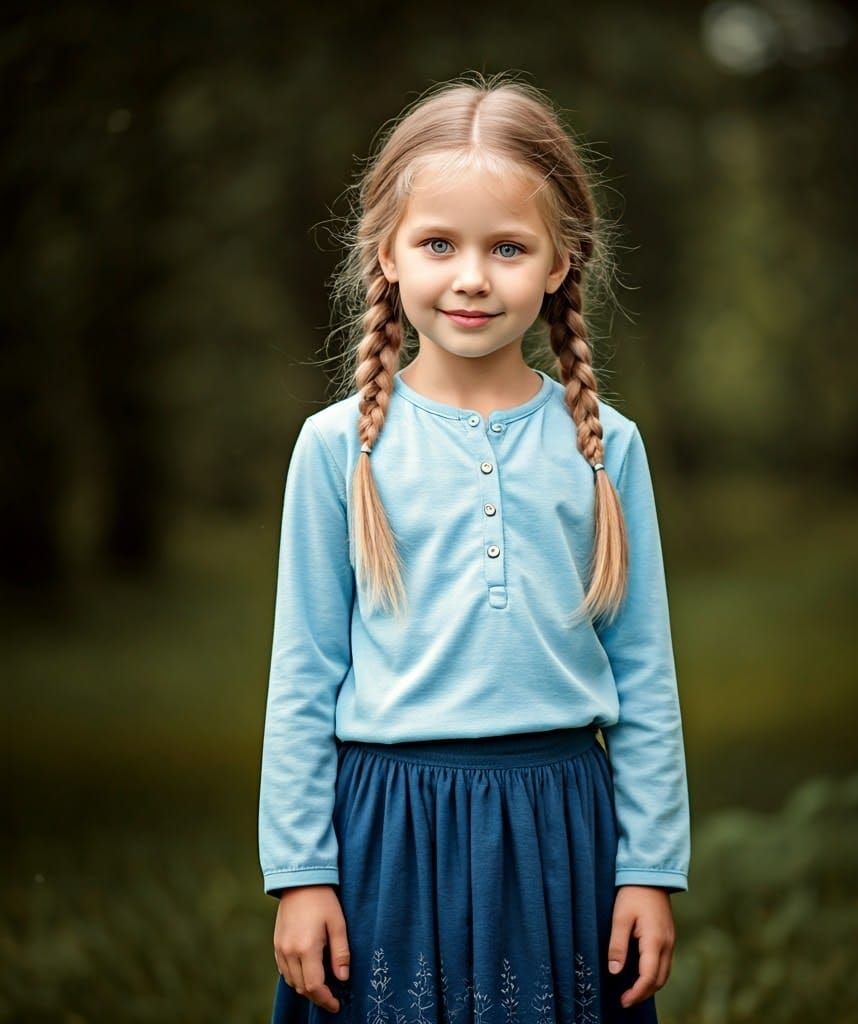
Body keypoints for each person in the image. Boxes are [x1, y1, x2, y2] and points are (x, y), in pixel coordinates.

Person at [258, 70, 691, 1024]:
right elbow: (304, 674)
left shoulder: (605, 447)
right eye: (439, 243)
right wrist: (299, 874)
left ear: (559, 261)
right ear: (388, 255)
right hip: (388, 831)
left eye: (507, 247)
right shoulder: (339, 447)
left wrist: (650, 868)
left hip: (560, 830)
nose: (470, 277)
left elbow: (646, 675)